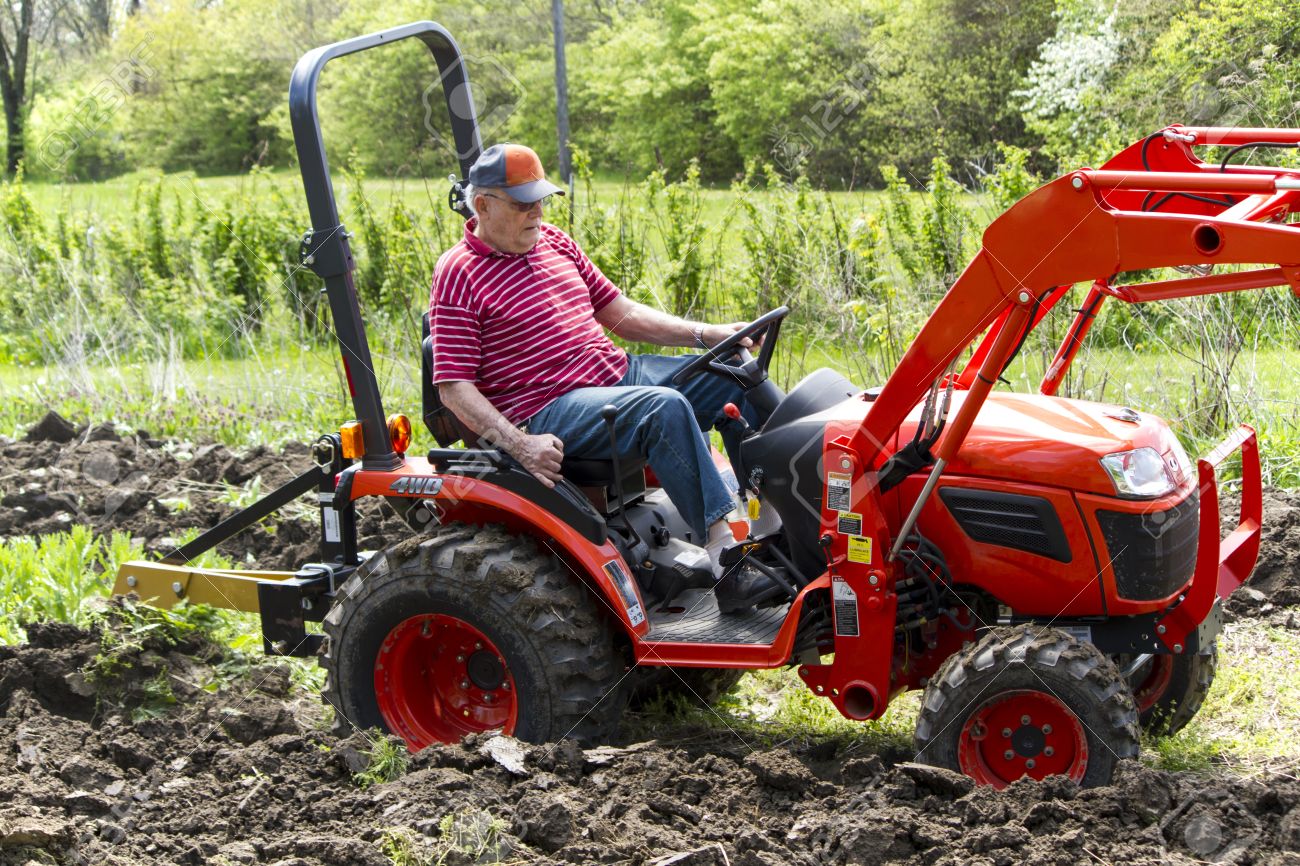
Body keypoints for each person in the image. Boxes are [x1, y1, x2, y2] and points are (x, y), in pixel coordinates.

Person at [430, 143, 778, 610]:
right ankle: (727, 564)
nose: (536, 212)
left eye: (541, 199)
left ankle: (770, 530)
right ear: (483, 205)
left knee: (734, 373)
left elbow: (621, 312)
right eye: (522, 203)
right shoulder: (458, 273)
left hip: (615, 373)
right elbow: (453, 387)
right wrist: (520, 445)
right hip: (548, 406)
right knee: (662, 408)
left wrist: (706, 334)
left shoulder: (554, 242)